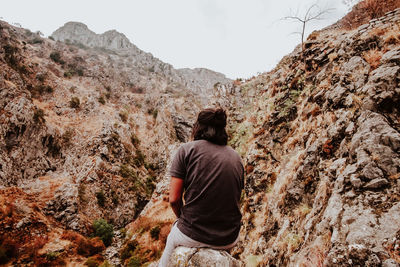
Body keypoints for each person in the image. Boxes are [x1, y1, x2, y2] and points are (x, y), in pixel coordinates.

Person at [158, 107, 244, 267]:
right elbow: (234, 198)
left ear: (198, 127)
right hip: (229, 238)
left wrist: (182, 220)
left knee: (171, 240)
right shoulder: (236, 158)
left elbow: (174, 199)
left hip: (192, 235)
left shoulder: (186, 150)